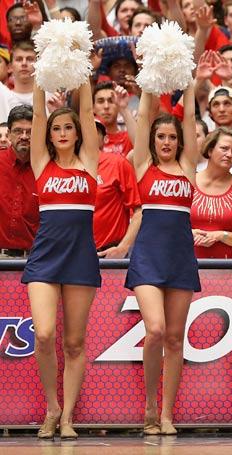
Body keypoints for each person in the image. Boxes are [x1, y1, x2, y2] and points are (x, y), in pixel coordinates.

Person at [21, 77, 101, 439]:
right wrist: (42, 74)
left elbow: (86, 109)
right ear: (50, 135)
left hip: (81, 257)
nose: (64, 132)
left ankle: (67, 416)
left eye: (69, 127)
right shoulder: (41, 163)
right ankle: (50, 406)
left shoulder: (88, 162)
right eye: (58, 128)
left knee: (74, 343)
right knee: (44, 333)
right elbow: (38, 113)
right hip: (44, 257)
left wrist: (82, 71)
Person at [125, 84, 200, 436]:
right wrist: (150, 83)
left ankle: (166, 413)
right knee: (154, 329)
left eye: (172, 136)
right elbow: (143, 118)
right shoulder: (142, 166)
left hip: (181, 259)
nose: (167, 142)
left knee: (174, 337)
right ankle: (149, 404)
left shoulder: (188, 168)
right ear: (153, 141)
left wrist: (193, 85)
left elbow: (191, 122)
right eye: (161, 137)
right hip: (148, 259)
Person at [191, 128, 232, 258]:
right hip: (186, 268)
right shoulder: (188, 183)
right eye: (224, 148)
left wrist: (221, 236)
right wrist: (189, 233)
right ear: (210, 150)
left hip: (230, 271)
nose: (229, 154)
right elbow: (171, 225)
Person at [93, 118, 142, 257]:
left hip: (110, 254)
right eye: (84, 129)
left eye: (95, 131)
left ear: (105, 139)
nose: (89, 133)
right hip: (76, 254)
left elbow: (139, 211)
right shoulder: (70, 166)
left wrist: (123, 247)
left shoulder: (118, 164)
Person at [0, 105, 38, 257]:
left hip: (35, 260)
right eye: (17, 131)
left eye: (29, 131)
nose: (24, 136)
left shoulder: (46, 168)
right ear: (8, 134)